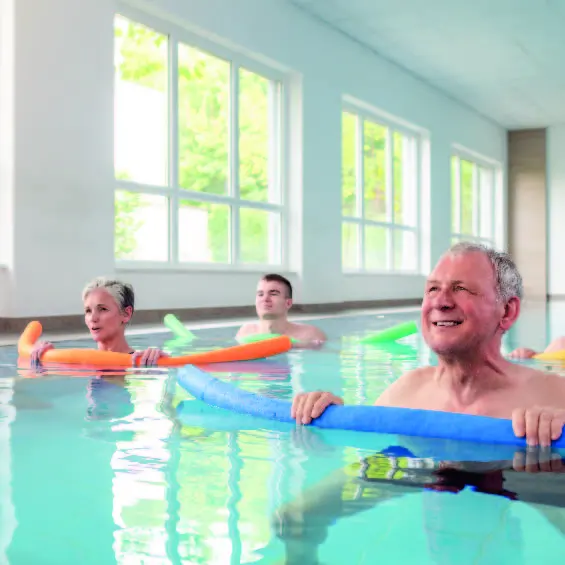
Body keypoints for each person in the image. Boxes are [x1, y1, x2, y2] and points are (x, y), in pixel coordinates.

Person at [291, 242, 565, 447]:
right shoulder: (404, 393)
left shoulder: (554, 396)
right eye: (433, 289)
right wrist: (330, 421)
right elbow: (366, 475)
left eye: (461, 289)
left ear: (507, 311)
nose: (440, 302)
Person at [30, 277, 168, 368]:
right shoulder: (83, 360)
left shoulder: (140, 361)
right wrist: (42, 360)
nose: (93, 318)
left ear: (126, 314)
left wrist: (160, 362)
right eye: (88, 311)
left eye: (102, 309)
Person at [236, 273, 327, 347]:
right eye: (260, 294)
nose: (265, 299)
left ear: (288, 303)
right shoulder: (245, 332)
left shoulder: (310, 336)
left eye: (273, 294)